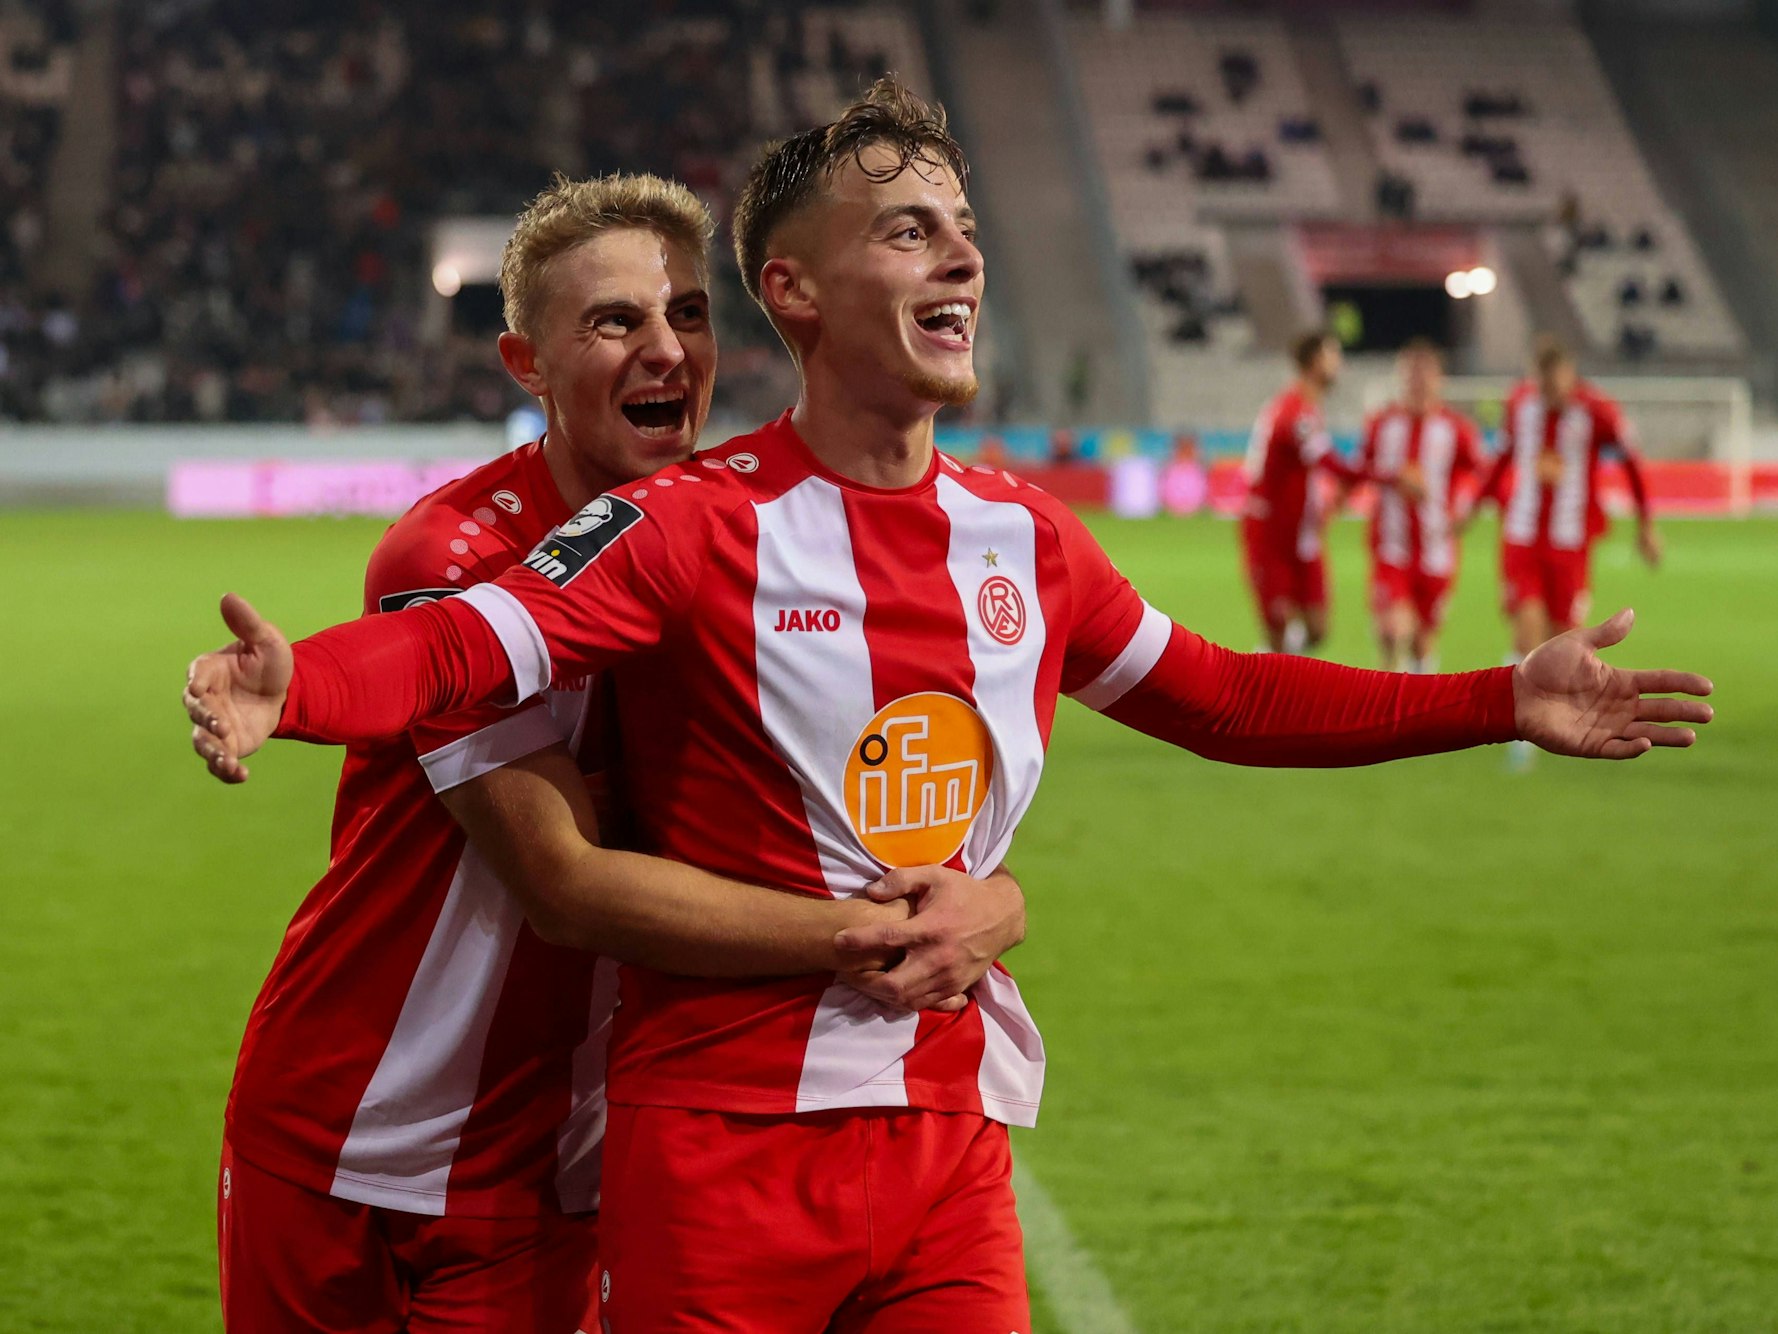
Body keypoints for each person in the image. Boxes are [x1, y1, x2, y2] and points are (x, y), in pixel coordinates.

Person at [185, 79, 1713, 1331]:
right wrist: (303, 678)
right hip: (714, 1144)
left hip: (946, 1140)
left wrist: (1495, 696)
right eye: (911, 231)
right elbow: (473, 647)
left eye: (966, 229)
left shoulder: (1024, 534)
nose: (963, 257)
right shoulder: (693, 523)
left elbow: (1222, 694)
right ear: (793, 287)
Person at [203, 172, 1025, 1334]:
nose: (663, 350)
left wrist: (993, 894)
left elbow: (857, 814)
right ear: (524, 365)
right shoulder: (457, 547)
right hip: (345, 1127)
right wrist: (915, 929)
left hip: (551, 1166)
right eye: (612, 321)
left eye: (686, 313)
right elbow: (564, 885)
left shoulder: (741, 538)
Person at [1460, 336, 1662, 764]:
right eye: (1542, 384)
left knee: (1561, 637)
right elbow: (1501, 460)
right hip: (1522, 537)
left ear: (1570, 377)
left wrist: (1645, 525)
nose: (1548, 393)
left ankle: (1556, 724)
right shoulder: (1520, 406)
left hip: (1571, 544)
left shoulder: (1598, 411)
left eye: (1555, 384)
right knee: (1525, 631)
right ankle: (1518, 741)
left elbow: (1632, 462)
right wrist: (1475, 507)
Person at [1353, 338, 1485, 671]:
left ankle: (1420, 709)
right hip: (1391, 546)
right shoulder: (1381, 424)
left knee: (1422, 642)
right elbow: (1358, 469)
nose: (1417, 380)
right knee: (1393, 629)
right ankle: (1388, 706)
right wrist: (1389, 478)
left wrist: (1467, 512)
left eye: (1424, 373)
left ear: (1439, 378)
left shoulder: (1456, 429)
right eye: (1410, 372)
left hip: (1436, 548)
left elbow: (1484, 476)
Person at [1241, 329, 1366, 653]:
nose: (1338, 363)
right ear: (1314, 361)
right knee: (1279, 623)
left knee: (1317, 628)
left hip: (1304, 535)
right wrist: (1387, 473)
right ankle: (1269, 678)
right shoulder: (1293, 412)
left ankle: (1274, 663)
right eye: (1332, 355)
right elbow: (1330, 464)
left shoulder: (1309, 409)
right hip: (1272, 533)